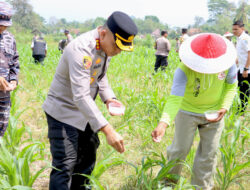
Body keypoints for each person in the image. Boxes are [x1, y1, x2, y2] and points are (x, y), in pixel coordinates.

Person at [42, 11, 138, 190]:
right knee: (65, 165)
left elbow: (99, 77)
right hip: (63, 112)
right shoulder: (82, 50)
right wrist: (108, 130)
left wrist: (109, 98)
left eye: (121, 49)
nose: (117, 52)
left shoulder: (104, 47)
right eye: (116, 47)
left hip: (84, 112)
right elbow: (80, 95)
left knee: (87, 156)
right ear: (103, 33)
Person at [151, 33, 237, 190]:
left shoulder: (227, 64)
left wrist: (224, 107)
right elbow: (175, 98)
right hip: (187, 112)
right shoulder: (184, 70)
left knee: (209, 154)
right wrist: (163, 123)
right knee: (179, 150)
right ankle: (167, 185)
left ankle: (202, 187)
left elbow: (231, 86)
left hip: (215, 114)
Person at [0, 2, 19, 138]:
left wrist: (13, 80)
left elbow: (14, 62)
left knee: (2, 127)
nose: (2, 26)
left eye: (5, 24)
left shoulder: (9, 38)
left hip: (3, 94)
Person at [232, 20, 250, 113]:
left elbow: (249, 53)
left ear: (242, 28)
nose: (234, 31)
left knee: (244, 91)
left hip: (247, 70)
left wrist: (246, 69)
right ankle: (240, 109)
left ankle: (242, 112)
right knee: (238, 89)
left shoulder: (245, 39)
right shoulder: (239, 39)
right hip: (240, 69)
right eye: (233, 29)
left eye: (236, 29)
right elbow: (240, 56)